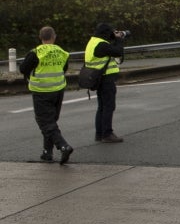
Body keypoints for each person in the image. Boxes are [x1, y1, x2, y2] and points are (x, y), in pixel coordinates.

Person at [20, 26, 74, 164]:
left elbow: (23, 69)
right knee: (51, 122)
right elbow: (64, 68)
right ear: (54, 37)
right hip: (58, 90)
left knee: (45, 122)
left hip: (41, 91)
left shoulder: (35, 52)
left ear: (40, 37)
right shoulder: (61, 51)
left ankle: (63, 146)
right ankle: (47, 153)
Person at [84, 23, 126, 143]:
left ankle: (99, 134)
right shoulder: (101, 45)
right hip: (105, 79)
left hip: (98, 78)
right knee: (108, 106)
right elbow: (118, 52)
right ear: (106, 33)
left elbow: (109, 52)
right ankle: (107, 134)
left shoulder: (93, 42)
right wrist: (118, 39)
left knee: (101, 107)